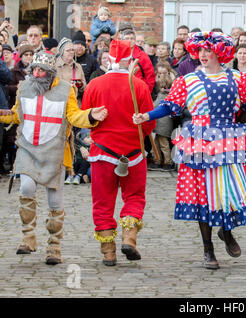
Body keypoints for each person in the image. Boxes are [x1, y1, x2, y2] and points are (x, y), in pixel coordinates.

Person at [133, 31, 246, 269]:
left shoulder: (238, 78)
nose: (203, 55)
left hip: (228, 140)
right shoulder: (188, 80)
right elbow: (170, 106)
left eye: (208, 51)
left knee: (229, 193)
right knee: (204, 197)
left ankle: (226, 232)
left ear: (219, 53)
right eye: (200, 51)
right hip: (199, 143)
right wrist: (147, 115)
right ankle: (208, 249)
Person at [0, 51, 108, 265]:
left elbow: (73, 115)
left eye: (42, 70)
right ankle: (28, 236)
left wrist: (90, 115)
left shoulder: (65, 90)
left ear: (50, 73)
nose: (37, 74)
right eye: (35, 70)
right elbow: (17, 114)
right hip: (28, 148)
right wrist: (2, 114)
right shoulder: (25, 87)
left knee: (54, 200)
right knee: (26, 189)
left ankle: (54, 245)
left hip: (55, 151)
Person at [81, 39, 155, 266]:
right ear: (130, 60)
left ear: (109, 59)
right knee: (134, 197)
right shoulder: (139, 85)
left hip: (102, 153)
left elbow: (87, 116)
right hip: (133, 152)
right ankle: (129, 238)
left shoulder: (95, 84)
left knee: (102, 203)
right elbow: (149, 123)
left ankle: (108, 252)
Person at [147, 60, 177, 172]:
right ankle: (159, 160)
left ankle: (166, 161)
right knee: (158, 143)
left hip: (161, 125)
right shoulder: (167, 95)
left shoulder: (162, 96)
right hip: (161, 125)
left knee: (162, 144)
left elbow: (155, 106)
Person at [121, 28, 156, 94]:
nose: (129, 41)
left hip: (139, 90)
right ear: (122, 40)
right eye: (127, 38)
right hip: (122, 91)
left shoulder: (143, 56)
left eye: (132, 39)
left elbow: (150, 77)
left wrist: (146, 92)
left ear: (135, 40)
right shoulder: (118, 55)